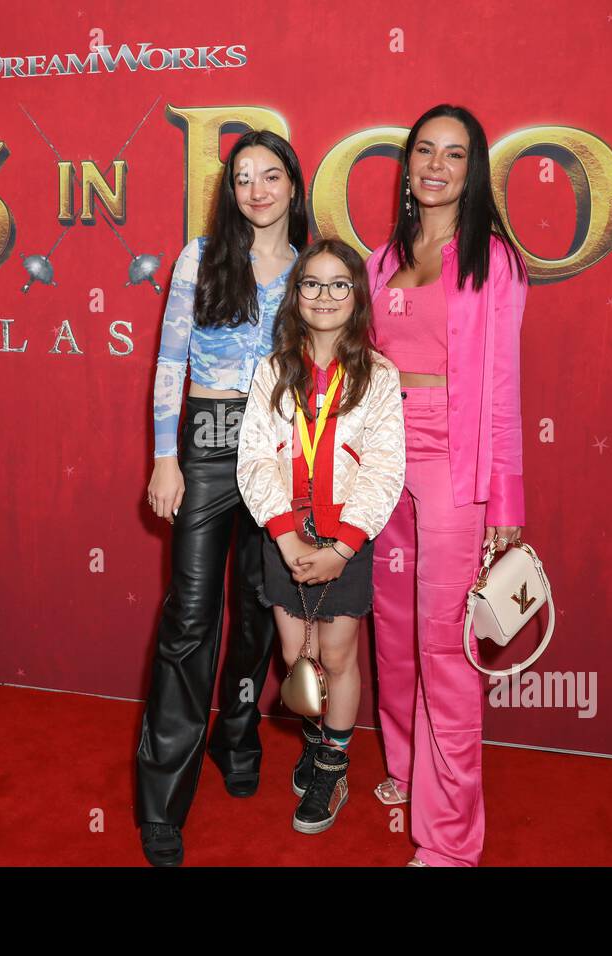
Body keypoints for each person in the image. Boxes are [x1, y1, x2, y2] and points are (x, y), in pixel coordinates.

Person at [135, 130, 309, 867]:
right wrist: (165, 458)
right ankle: (160, 802)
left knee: (259, 616)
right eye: (244, 178)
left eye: (272, 176)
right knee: (190, 616)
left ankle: (235, 732)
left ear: (294, 187)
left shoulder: (313, 270)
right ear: (230, 189)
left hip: (277, 448)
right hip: (206, 440)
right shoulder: (199, 259)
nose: (258, 190)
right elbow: (171, 356)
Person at [366, 103, 531, 866]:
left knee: (445, 646)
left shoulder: (491, 259)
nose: (435, 165)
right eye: (424, 151)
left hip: (451, 457)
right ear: (407, 165)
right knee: (391, 632)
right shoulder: (380, 258)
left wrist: (507, 500)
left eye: (454, 155)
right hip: (379, 452)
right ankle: (405, 765)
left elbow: (502, 385)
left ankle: (451, 842)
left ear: (474, 171)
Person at [236, 237, 406, 834]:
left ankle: (332, 761)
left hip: (345, 541)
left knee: (337, 655)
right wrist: (286, 540)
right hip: (284, 537)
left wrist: (339, 549)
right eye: (312, 283)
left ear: (357, 296)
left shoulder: (379, 376)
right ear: (296, 294)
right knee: (295, 656)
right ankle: (315, 737)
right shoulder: (273, 370)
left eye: (340, 284)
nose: (326, 295)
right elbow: (254, 459)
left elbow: (385, 467)